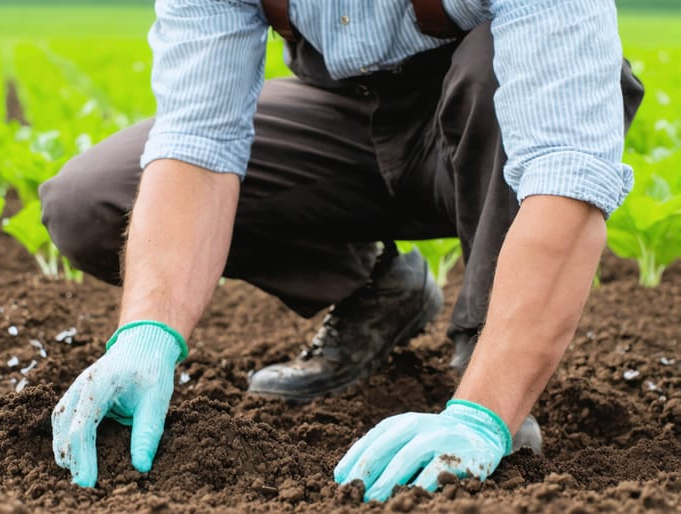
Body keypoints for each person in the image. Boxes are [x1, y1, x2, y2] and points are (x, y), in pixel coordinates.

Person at [41, 0, 644, 503]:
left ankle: (490, 376)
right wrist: (147, 334)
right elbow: (197, 143)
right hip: (348, 123)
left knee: (489, 72)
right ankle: (377, 287)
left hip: (496, 113)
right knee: (94, 200)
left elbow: (569, 176)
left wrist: (484, 413)